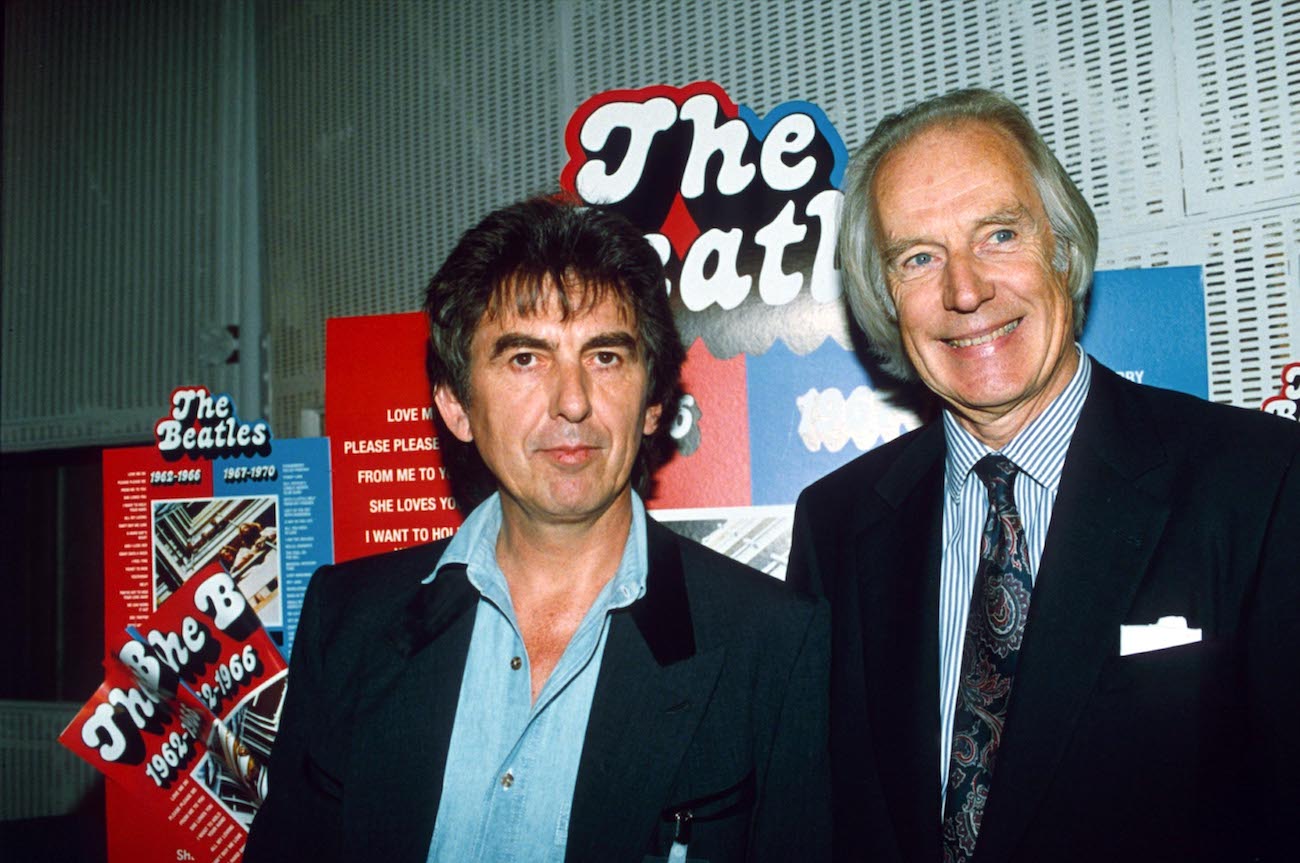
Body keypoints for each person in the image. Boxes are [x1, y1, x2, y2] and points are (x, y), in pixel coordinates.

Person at [788, 88, 1299, 862]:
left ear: (1061, 247)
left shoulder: (1259, 483)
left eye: (999, 234)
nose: (965, 290)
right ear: (884, 298)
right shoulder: (836, 525)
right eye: (918, 257)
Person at [246, 196, 830, 863]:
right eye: (526, 358)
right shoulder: (347, 619)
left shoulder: (774, 643)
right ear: (457, 405)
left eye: (605, 357)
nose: (573, 400)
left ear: (653, 402)